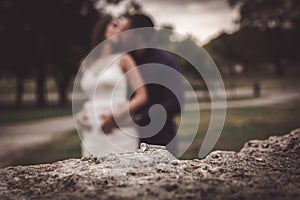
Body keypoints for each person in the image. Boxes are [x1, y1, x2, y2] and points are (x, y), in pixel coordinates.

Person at [102, 14, 184, 155]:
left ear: (137, 34)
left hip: (160, 140)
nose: (121, 33)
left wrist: (139, 118)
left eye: (125, 30)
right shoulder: (125, 61)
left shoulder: (165, 62)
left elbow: (175, 103)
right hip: (125, 139)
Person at [76, 15, 148, 156]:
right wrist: (81, 115)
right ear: (102, 29)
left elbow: (142, 95)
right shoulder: (85, 63)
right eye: (114, 25)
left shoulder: (124, 59)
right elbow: (89, 97)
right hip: (91, 133)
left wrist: (116, 116)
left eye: (121, 27)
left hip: (118, 129)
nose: (119, 30)